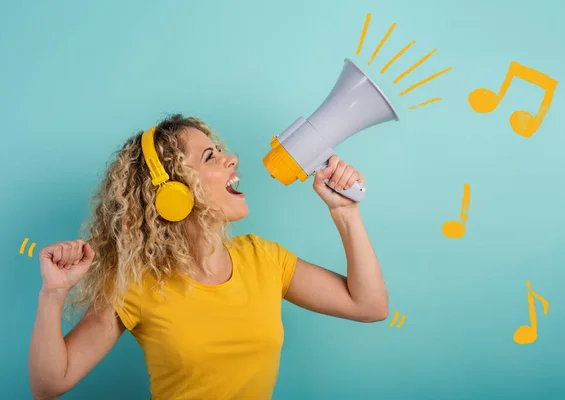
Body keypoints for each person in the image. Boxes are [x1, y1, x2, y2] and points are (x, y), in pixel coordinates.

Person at [28, 114, 388, 400]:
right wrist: (53, 294)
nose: (231, 158)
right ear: (172, 190)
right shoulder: (135, 285)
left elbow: (369, 306)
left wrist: (345, 213)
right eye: (210, 156)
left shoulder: (265, 259)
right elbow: (49, 386)